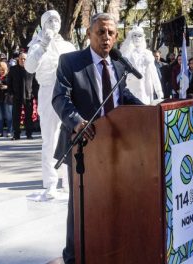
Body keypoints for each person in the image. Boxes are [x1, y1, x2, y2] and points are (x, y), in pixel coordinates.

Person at [52, 12, 142, 264]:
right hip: (83, 145)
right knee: (80, 205)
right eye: (101, 32)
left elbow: (121, 96)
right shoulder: (70, 62)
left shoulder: (119, 64)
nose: (106, 37)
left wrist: (150, 110)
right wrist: (76, 121)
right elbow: (60, 98)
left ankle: (107, 249)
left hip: (114, 147)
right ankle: (73, 257)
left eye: (111, 33)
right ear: (90, 33)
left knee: (114, 200)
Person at [25, 10, 76, 197]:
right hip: (47, 92)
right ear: (43, 23)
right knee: (50, 138)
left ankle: (68, 180)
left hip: (68, 94)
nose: (54, 23)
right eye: (49, 20)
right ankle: (51, 181)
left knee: (70, 136)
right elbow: (30, 67)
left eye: (56, 19)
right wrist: (43, 45)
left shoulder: (68, 46)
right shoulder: (37, 45)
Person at [120, 25, 163, 104]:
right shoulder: (126, 54)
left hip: (145, 88)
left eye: (139, 36)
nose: (137, 38)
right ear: (131, 37)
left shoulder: (148, 54)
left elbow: (154, 73)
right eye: (135, 35)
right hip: (131, 87)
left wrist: (159, 91)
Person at [8, 52, 39, 140]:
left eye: (24, 59)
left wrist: (34, 94)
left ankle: (29, 134)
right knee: (16, 116)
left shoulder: (31, 69)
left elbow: (35, 84)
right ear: (18, 59)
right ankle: (16, 134)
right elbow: (9, 82)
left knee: (29, 116)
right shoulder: (13, 69)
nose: (22, 60)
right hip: (16, 96)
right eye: (21, 59)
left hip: (28, 96)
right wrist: (11, 93)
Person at [0, 61, 12, 137]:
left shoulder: (10, 76)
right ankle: (0, 132)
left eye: (3, 70)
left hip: (7, 97)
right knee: (0, 116)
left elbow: (14, 86)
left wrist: (7, 87)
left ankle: (9, 131)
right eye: (0, 70)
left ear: (6, 69)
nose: (2, 71)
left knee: (8, 116)